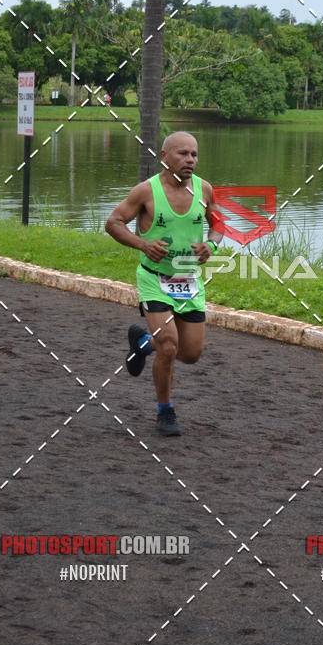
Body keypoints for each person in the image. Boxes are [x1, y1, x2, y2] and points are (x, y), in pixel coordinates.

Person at [104, 131, 222, 436]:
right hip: (154, 279)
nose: (190, 160)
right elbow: (113, 222)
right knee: (169, 345)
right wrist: (143, 245)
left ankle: (143, 343)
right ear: (164, 156)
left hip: (189, 281)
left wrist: (212, 245)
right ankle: (165, 410)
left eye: (194, 154)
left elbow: (218, 226)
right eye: (182, 154)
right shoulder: (146, 192)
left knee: (191, 353)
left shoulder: (204, 190)